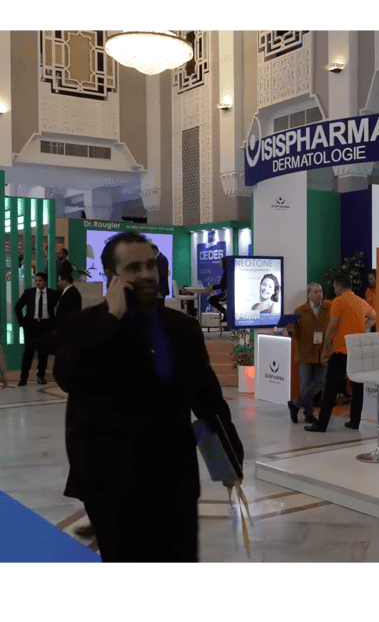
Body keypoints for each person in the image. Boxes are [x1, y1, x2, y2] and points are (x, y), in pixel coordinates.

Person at [54, 231, 243, 562]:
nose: (145, 274)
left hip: (173, 478)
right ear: (112, 277)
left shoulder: (181, 328)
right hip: (112, 483)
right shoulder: (84, 327)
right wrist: (110, 318)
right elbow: (69, 378)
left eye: (150, 265)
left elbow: (207, 399)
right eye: (133, 268)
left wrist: (230, 460)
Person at [305, 273, 375, 433]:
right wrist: (361, 328)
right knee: (358, 387)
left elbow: (331, 327)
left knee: (330, 389)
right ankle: (355, 421)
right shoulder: (360, 301)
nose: (334, 289)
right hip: (357, 350)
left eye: (334, 286)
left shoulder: (338, 301)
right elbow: (373, 317)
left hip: (341, 351)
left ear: (339, 286)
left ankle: (321, 424)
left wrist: (325, 350)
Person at [286, 283, 330, 425]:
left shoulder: (328, 308)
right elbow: (296, 335)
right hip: (305, 353)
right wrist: (291, 330)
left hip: (322, 352)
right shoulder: (300, 311)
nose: (319, 294)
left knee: (320, 382)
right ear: (309, 294)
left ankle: (295, 404)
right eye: (316, 292)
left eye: (320, 291)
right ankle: (308, 414)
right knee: (305, 385)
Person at [14, 272, 59, 386]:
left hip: (46, 326)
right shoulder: (29, 293)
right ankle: (24, 378)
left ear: (45, 282)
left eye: (40, 281)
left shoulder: (53, 294)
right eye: (36, 280)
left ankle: (41, 376)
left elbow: (60, 308)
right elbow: (18, 307)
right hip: (31, 326)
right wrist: (22, 322)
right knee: (28, 352)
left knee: (43, 353)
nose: (37, 283)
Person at [150, 243, 170, 309]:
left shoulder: (162, 259)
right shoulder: (157, 259)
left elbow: (162, 274)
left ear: (154, 250)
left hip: (160, 288)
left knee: (159, 308)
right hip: (158, 288)